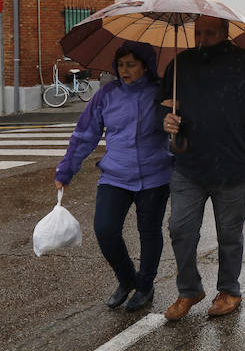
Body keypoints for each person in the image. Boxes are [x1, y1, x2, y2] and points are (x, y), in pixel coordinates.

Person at [157, 15, 245, 321]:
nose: (203, 37)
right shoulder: (181, 64)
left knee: (229, 234)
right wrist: (167, 120)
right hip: (189, 165)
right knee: (180, 229)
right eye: (199, 32)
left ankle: (229, 290)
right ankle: (189, 290)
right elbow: (163, 103)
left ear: (225, 32)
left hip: (233, 167)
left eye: (210, 32)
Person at [55, 42, 170, 312]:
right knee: (105, 230)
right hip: (115, 174)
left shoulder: (162, 93)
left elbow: (185, 128)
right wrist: (67, 168)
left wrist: (176, 114)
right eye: (120, 65)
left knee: (149, 232)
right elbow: (85, 133)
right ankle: (127, 279)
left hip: (155, 175)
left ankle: (145, 286)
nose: (124, 70)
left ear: (146, 65)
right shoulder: (106, 94)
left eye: (131, 64)